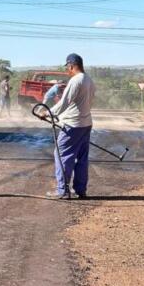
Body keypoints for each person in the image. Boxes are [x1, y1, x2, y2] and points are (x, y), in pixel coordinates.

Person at [44, 53, 95, 199]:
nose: (67, 69)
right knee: (82, 158)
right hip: (86, 124)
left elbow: (64, 102)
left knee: (62, 155)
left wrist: (47, 113)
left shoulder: (76, 80)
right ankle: (80, 190)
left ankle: (63, 191)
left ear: (71, 65)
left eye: (67, 67)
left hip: (73, 125)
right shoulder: (89, 80)